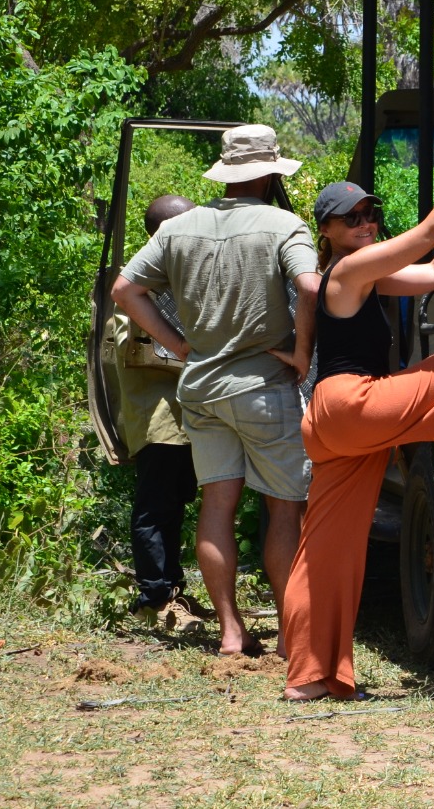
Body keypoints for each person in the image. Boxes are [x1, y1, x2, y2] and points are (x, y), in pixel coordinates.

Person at [282, 125, 434, 702]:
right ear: (329, 232)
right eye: (353, 218)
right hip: (349, 402)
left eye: (371, 213)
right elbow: (426, 234)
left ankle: (312, 678)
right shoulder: (346, 272)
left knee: (328, 550)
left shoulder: (364, 274)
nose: (366, 224)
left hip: (334, 422)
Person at [112, 125, 320, 658]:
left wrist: (180, 348)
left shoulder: (182, 227)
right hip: (263, 386)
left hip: (200, 388)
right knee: (284, 507)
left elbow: (125, 290)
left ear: (226, 173)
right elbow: (312, 286)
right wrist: (300, 352)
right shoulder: (283, 224)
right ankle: (290, 631)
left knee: (216, 504)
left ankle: (231, 632)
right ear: (272, 172)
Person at [112, 194, 210, 626]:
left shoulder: (176, 282)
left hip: (185, 419)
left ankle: (173, 591)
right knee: (156, 508)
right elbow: (144, 352)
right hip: (160, 420)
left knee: (175, 507)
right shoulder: (141, 286)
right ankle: (155, 598)